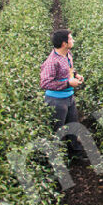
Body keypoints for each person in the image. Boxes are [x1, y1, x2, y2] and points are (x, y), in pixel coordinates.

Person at [39, 29, 85, 157]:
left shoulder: (67, 54)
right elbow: (45, 83)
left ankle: (75, 153)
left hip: (69, 97)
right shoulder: (52, 61)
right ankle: (57, 159)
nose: (73, 40)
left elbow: (69, 70)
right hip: (56, 101)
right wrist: (68, 84)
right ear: (64, 43)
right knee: (57, 131)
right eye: (71, 39)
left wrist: (76, 75)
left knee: (73, 126)